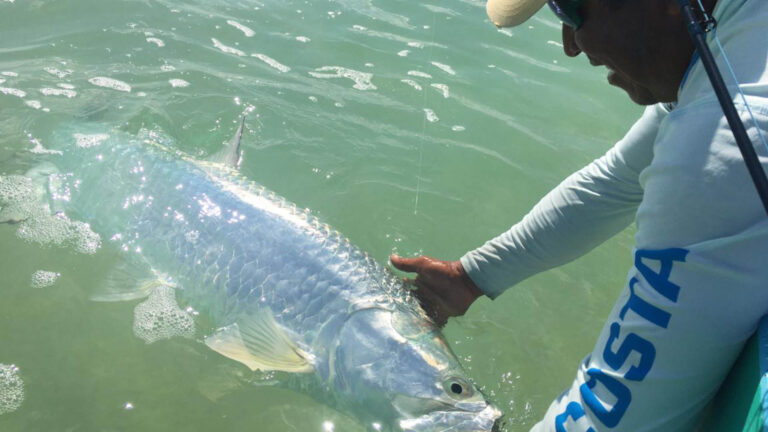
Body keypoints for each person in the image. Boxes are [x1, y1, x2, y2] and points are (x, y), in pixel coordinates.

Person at [390, 0, 768, 430]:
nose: (571, 45)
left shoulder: (724, 144)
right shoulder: (728, 37)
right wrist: (470, 277)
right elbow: (615, 181)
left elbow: (614, 418)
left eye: (571, 12)